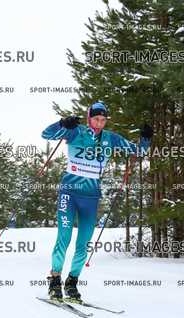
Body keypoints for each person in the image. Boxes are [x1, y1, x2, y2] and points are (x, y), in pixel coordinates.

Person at [41, 101, 153, 301]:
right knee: (64, 237)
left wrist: (146, 139)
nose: (99, 123)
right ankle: (55, 279)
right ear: (89, 118)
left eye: (103, 120)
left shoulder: (111, 138)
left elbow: (137, 151)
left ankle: (72, 282)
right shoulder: (76, 132)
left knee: (84, 243)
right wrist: (62, 123)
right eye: (96, 119)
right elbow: (46, 135)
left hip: (91, 197)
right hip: (69, 193)